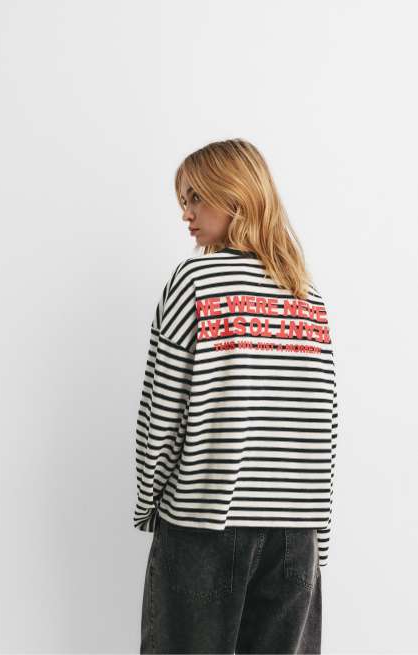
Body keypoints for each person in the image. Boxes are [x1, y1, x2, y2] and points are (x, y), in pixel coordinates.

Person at [133, 138, 338, 654]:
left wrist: (148, 501)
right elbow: (323, 423)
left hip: (205, 521)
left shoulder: (194, 281)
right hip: (295, 534)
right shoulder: (305, 294)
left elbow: (163, 408)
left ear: (237, 196)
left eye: (197, 197)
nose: (186, 213)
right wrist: (319, 532)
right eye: (184, 200)